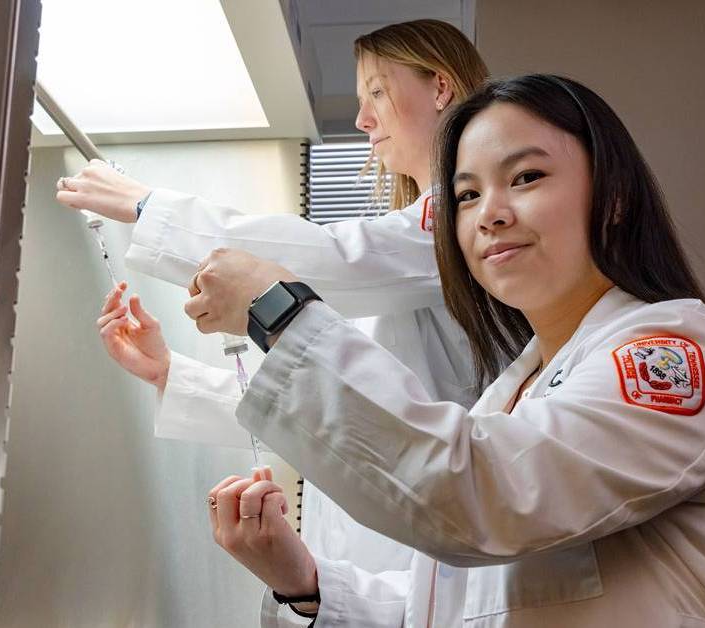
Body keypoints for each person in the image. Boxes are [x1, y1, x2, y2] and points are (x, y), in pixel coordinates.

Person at [196, 74, 705, 627]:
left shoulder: (674, 354)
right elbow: (454, 608)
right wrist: (303, 581)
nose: (490, 215)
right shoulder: (511, 395)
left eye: (527, 178)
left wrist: (279, 312)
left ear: (614, 197)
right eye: (465, 196)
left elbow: (478, 496)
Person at [72, 20, 489, 626]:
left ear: (441, 87)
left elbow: (328, 257)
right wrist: (171, 375)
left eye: (375, 91)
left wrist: (148, 207)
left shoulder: (458, 219)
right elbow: (334, 396)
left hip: (428, 545)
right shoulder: (413, 244)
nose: (363, 119)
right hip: (384, 553)